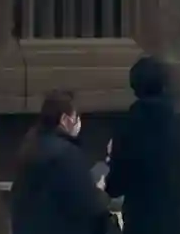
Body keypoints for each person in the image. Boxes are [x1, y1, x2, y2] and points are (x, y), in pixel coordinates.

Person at [104, 55, 180, 234]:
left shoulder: (129, 127)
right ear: (164, 85)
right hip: (177, 223)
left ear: (135, 88)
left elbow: (115, 185)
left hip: (141, 224)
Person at [12, 90, 115, 234]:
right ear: (65, 120)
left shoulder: (30, 147)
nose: (78, 122)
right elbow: (87, 204)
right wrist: (100, 192)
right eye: (76, 117)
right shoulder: (67, 153)